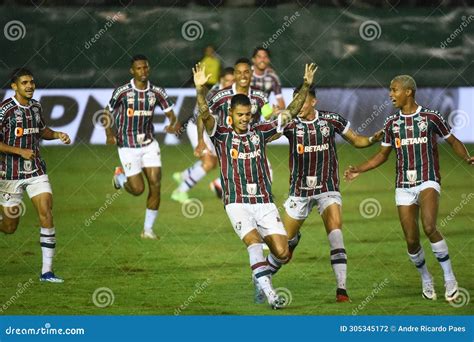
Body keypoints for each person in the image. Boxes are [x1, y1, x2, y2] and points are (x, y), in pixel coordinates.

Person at [193, 62, 317, 308]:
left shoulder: (260, 132)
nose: (244, 119)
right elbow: (205, 115)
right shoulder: (221, 135)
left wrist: (305, 85)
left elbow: (290, 112)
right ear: (231, 115)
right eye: (239, 115)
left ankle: (260, 275)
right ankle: (272, 295)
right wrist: (200, 91)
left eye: (248, 115)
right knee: (254, 243)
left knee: (283, 253)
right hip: (236, 202)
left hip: (264, 202)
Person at [344, 75, 473, 302]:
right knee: (412, 240)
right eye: (390, 90)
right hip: (403, 185)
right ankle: (425, 278)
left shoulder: (431, 117)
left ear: (408, 92)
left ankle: (450, 278)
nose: (390, 94)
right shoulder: (392, 123)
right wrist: (359, 169)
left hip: (428, 179)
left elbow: (452, 140)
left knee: (430, 226)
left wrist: (467, 157)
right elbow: (382, 155)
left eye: (394, 90)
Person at [263, 85, 383, 302]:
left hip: (327, 188)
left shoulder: (331, 120)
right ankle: (262, 280)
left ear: (314, 101)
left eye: (302, 100)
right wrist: (273, 120)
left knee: (335, 232)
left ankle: (342, 290)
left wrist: (373, 139)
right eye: (295, 100)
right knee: (282, 248)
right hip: (299, 192)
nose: (298, 105)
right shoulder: (290, 123)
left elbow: (357, 140)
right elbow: (268, 138)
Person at [0, 68, 71, 283]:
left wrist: (57, 134)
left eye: (32, 82)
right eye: (24, 83)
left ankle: (47, 272)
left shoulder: (36, 107)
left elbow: (41, 131)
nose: (30, 86)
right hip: (9, 174)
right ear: (14, 86)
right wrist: (19, 151)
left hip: (36, 170)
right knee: (10, 227)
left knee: (46, 209)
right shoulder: (5, 110)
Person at [104, 55, 178, 240]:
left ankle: (148, 230)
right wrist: (109, 134)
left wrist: (173, 124)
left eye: (145, 67)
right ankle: (120, 178)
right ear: (132, 71)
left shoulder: (157, 92)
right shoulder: (122, 91)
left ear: (149, 68)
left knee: (156, 184)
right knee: (138, 189)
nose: (142, 71)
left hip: (149, 144)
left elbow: (171, 114)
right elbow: (106, 112)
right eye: (138, 68)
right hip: (127, 146)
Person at [195, 57, 273, 198]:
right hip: (230, 144)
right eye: (239, 72)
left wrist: (275, 114)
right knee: (254, 175)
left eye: (246, 72)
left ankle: (252, 198)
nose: (242, 76)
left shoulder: (260, 95)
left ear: (251, 73)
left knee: (265, 171)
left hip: (252, 144)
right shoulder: (221, 95)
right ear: (235, 74)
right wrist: (201, 140)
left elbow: (268, 115)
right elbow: (203, 114)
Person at [171, 67, 234, 203]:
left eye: (232, 80)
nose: (230, 83)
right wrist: (201, 141)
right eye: (227, 80)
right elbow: (201, 116)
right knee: (208, 162)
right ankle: (179, 191)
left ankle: (184, 175)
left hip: (211, 130)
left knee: (214, 163)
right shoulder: (214, 93)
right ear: (221, 80)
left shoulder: (231, 93)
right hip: (198, 128)